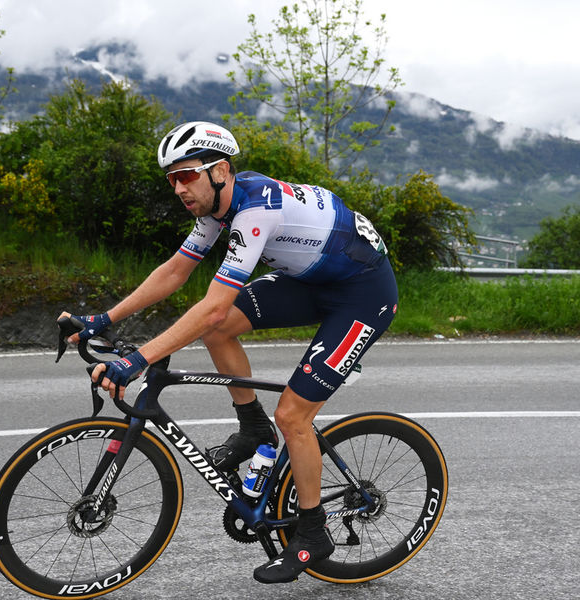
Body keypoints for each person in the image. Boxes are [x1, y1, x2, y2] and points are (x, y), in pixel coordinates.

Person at [62, 121, 397, 584]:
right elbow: (175, 272)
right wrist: (104, 319)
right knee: (218, 334)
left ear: (219, 171)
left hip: (362, 294)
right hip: (310, 282)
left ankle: (314, 533)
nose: (179, 187)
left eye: (186, 175)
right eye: (171, 179)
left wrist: (135, 361)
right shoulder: (218, 208)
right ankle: (251, 426)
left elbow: (213, 307)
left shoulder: (255, 211)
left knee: (294, 416)